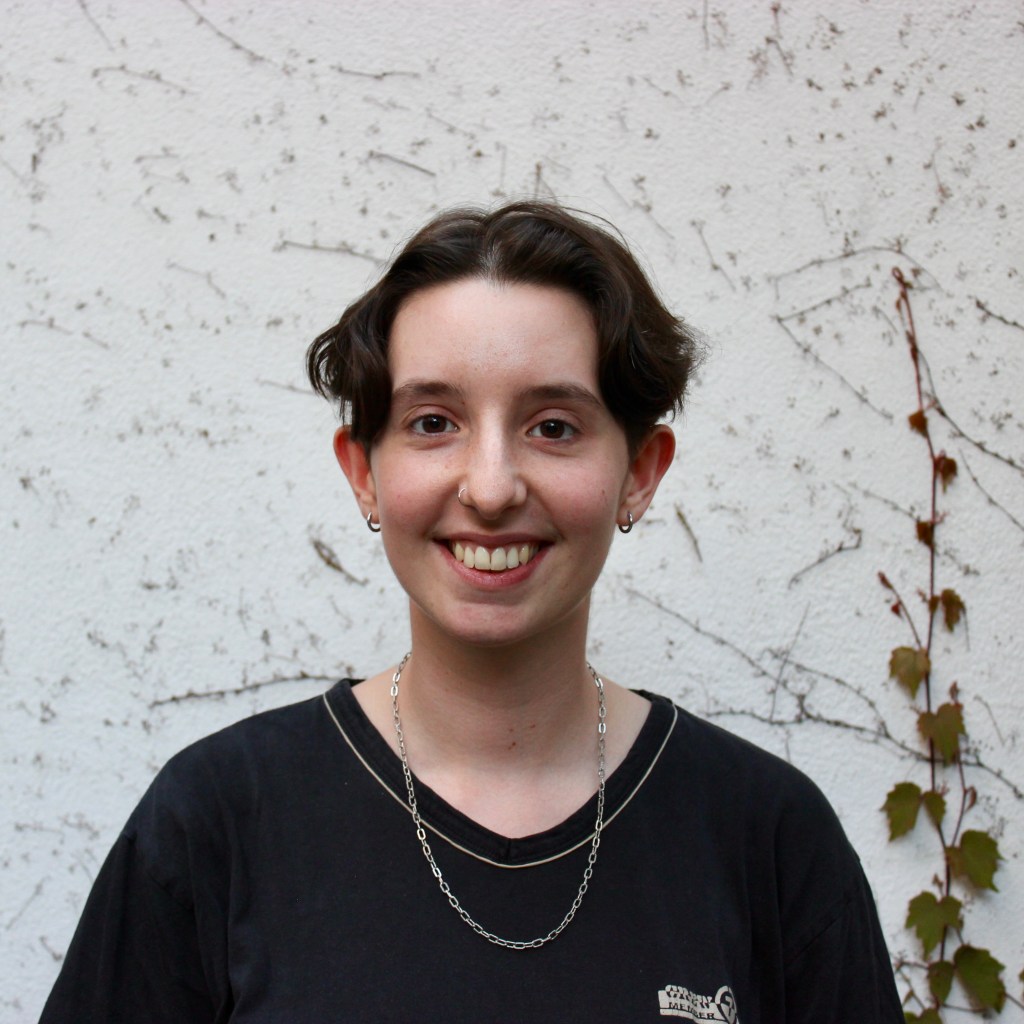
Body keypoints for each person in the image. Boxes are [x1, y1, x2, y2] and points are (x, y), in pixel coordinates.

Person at [40, 201, 903, 1022]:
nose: (490, 489)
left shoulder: (769, 840)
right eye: (432, 422)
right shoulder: (217, 824)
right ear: (364, 472)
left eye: (553, 427)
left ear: (639, 472)